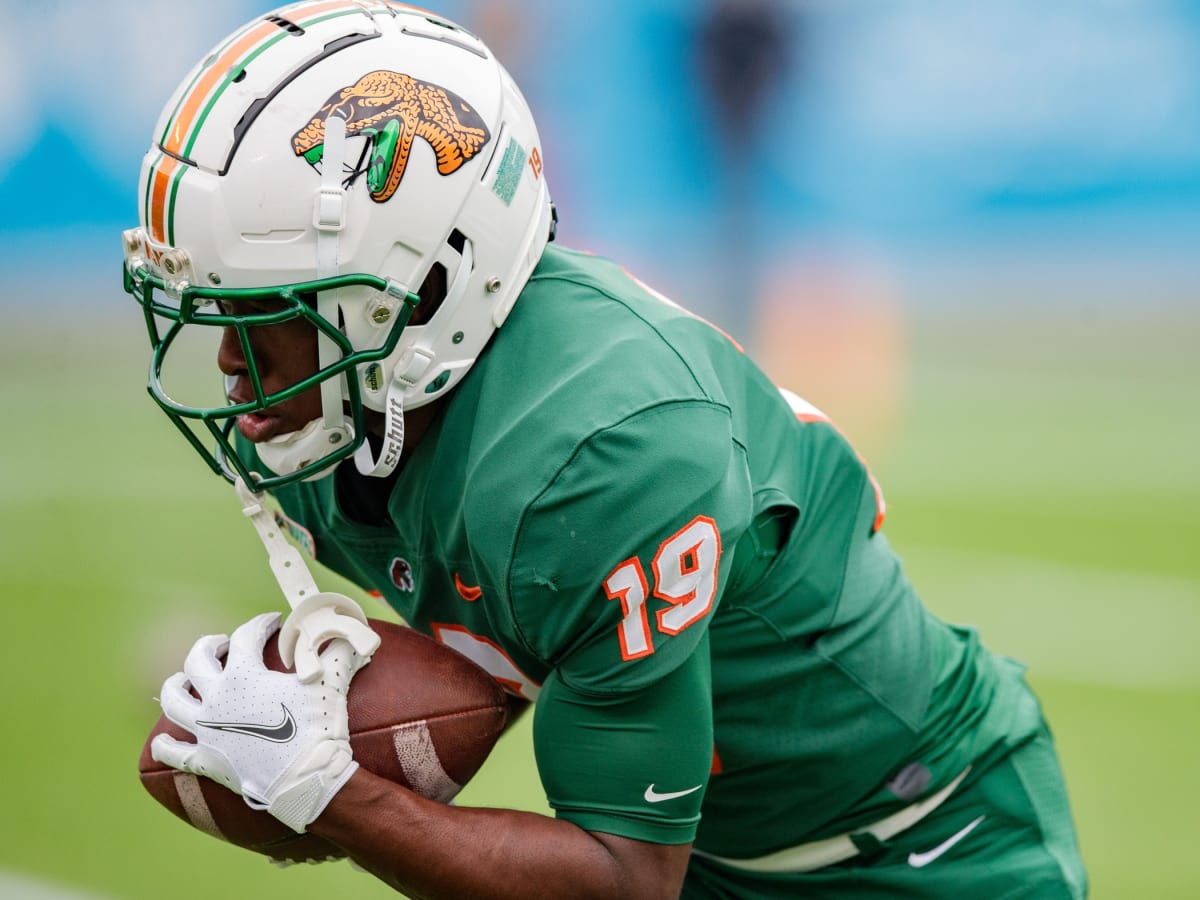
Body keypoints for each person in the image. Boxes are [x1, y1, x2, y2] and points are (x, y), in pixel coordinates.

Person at [122, 3, 1087, 898]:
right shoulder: (361, 411)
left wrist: (331, 787)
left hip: (923, 846)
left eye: (265, 316)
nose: (231, 368)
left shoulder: (599, 451)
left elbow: (624, 877)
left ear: (411, 296)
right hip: (715, 849)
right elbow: (510, 649)